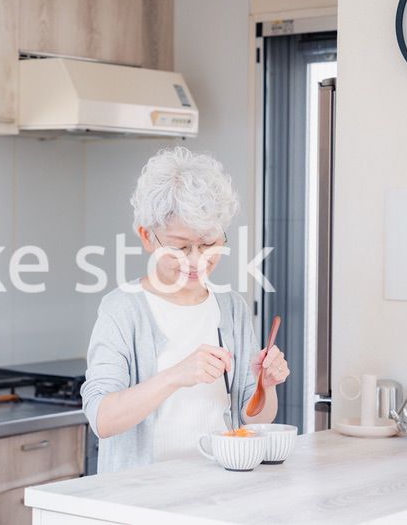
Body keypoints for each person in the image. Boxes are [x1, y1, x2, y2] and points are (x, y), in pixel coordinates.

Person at [80, 146, 290, 474]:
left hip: (219, 491)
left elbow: (256, 418)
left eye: (209, 244)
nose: (196, 261)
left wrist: (268, 383)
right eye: (179, 246)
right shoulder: (122, 309)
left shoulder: (231, 307)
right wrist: (176, 376)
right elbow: (102, 419)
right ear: (147, 236)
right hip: (141, 499)